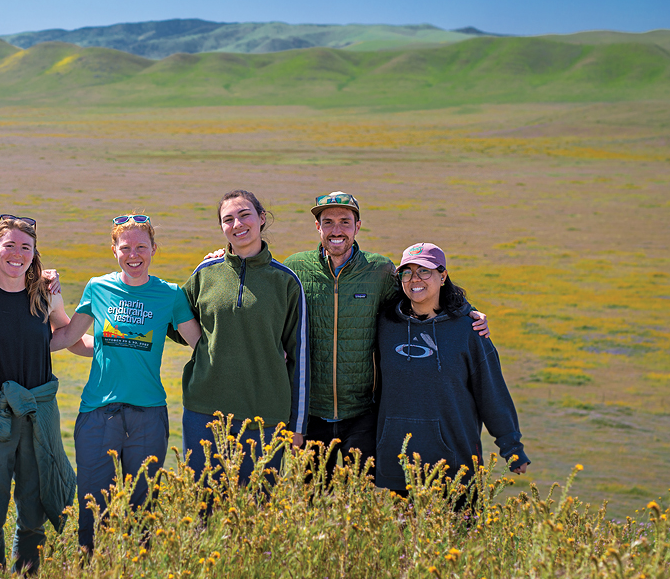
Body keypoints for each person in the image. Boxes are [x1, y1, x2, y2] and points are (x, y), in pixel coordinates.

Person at [283, 191, 489, 480]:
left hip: (363, 414)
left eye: (345, 221)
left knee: (362, 500)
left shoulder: (378, 270)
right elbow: (265, 296)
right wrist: (221, 257)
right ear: (318, 228)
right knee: (308, 501)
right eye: (327, 222)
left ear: (358, 226)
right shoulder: (295, 268)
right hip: (309, 415)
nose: (336, 230)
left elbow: (419, 297)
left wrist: (468, 311)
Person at [50, 214, 202, 552]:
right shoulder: (98, 287)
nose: (134, 254)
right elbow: (70, 338)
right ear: (114, 250)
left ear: (153, 249)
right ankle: (90, 574)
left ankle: (136, 578)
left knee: (142, 505)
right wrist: (50, 304)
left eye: (141, 247)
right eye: (125, 247)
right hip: (98, 412)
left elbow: (202, 345)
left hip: (148, 413)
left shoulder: (170, 295)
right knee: (92, 504)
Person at [0, 215, 90, 578]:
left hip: (36, 416)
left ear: (34, 254)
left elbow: (64, 336)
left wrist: (116, 346)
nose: (17, 254)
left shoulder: (45, 294)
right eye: (9, 246)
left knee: (33, 511)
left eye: (25, 247)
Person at [374, 242, 529, 498]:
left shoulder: (468, 330)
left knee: (460, 536)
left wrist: (512, 448)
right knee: (401, 537)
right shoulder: (384, 325)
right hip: (398, 465)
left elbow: (491, 391)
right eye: (407, 272)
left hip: (455, 466)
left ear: (443, 276)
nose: (415, 279)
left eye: (424, 271)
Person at [177, 190, 308, 485]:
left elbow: (300, 358)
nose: (237, 224)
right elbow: (175, 319)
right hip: (203, 412)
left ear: (262, 219)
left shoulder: (286, 282)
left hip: (265, 417)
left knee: (257, 508)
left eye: (245, 214)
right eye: (228, 219)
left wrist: (297, 424)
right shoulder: (205, 273)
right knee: (202, 503)